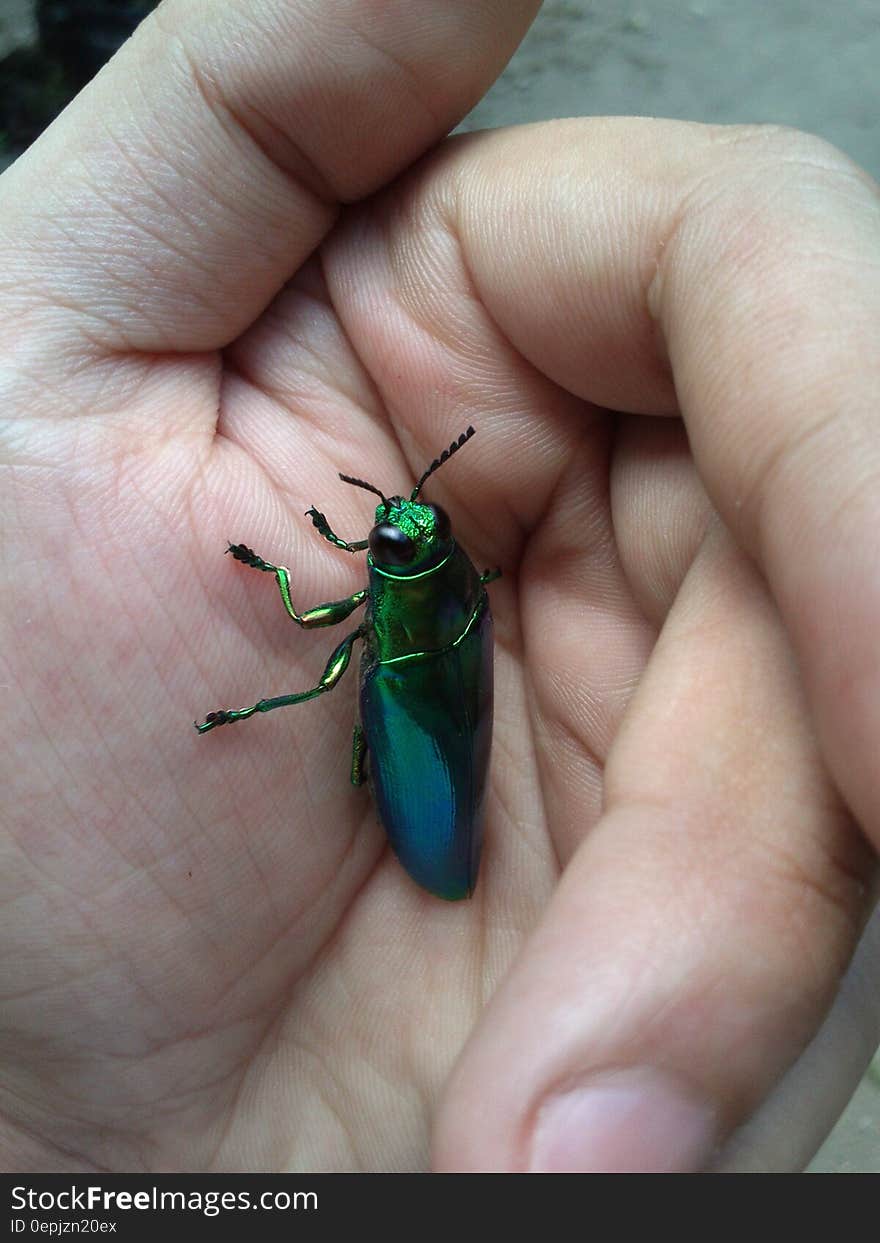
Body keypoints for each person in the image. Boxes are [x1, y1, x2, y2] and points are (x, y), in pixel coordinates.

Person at [0, 0, 877, 1173]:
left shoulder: (418, 594)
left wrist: (290, 559)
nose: (394, 527)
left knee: (330, 684)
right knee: (346, 691)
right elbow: (379, 591)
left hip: (420, 724)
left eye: (403, 528)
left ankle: (310, 759)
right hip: (427, 703)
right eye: (385, 528)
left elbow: (333, 616)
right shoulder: (442, 592)